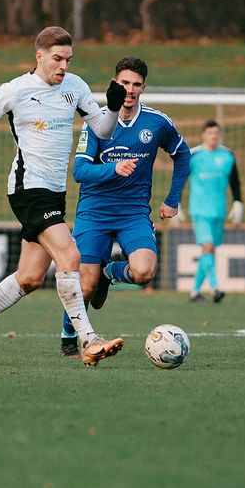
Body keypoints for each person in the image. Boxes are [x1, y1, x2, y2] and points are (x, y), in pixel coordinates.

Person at [0, 26, 128, 367]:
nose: (63, 66)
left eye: (68, 59)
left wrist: (112, 108)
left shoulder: (76, 86)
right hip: (27, 188)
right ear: (39, 55)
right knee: (70, 255)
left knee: (29, 278)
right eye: (57, 59)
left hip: (54, 193)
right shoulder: (16, 90)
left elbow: (103, 131)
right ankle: (88, 340)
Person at [58, 56, 191, 357]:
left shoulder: (157, 122)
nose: (129, 90)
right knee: (85, 283)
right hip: (94, 211)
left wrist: (172, 199)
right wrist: (113, 169)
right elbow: (80, 171)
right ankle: (68, 334)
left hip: (133, 212)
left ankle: (109, 273)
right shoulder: (96, 121)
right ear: (114, 84)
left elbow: (183, 155)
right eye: (124, 83)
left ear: (144, 88)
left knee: (144, 271)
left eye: (136, 85)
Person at [186, 120, 243, 303]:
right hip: (199, 210)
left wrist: (238, 202)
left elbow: (235, 182)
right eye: (210, 133)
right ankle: (215, 287)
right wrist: (175, 203)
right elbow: (180, 178)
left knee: (208, 251)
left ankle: (195, 291)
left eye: (216, 133)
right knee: (208, 246)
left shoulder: (227, 156)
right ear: (204, 135)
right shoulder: (194, 155)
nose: (213, 136)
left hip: (219, 211)